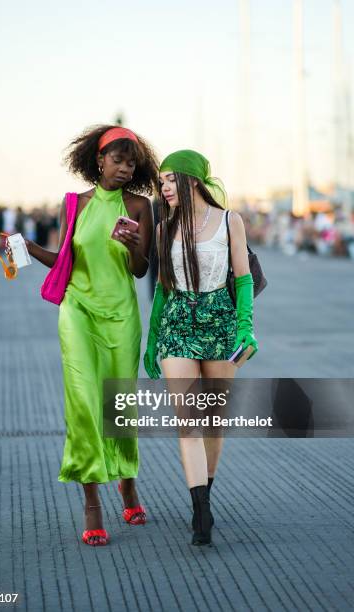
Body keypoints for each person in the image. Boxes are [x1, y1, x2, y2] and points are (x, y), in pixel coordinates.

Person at [23, 125, 158, 545]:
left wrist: (134, 242)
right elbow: (64, 262)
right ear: (98, 161)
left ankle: (127, 483)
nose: (124, 168)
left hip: (120, 316)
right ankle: (92, 502)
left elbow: (140, 269)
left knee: (118, 407)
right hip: (77, 313)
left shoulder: (140, 205)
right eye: (117, 160)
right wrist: (26, 249)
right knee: (84, 403)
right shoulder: (74, 205)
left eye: (130, 161)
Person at [144, 150, 258, 545]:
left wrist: (246, 327)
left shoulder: (230, 221)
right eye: (162, 183)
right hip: (178, 324)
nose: (164, 189)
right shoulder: (164, 228)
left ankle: (205, 490)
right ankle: (200, 510)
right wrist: (153, 337)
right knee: (188, 420)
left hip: (221, 324)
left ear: (192, 179)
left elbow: (242, 279)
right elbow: (163, 287)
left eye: (170, 180)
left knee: (213, 420)